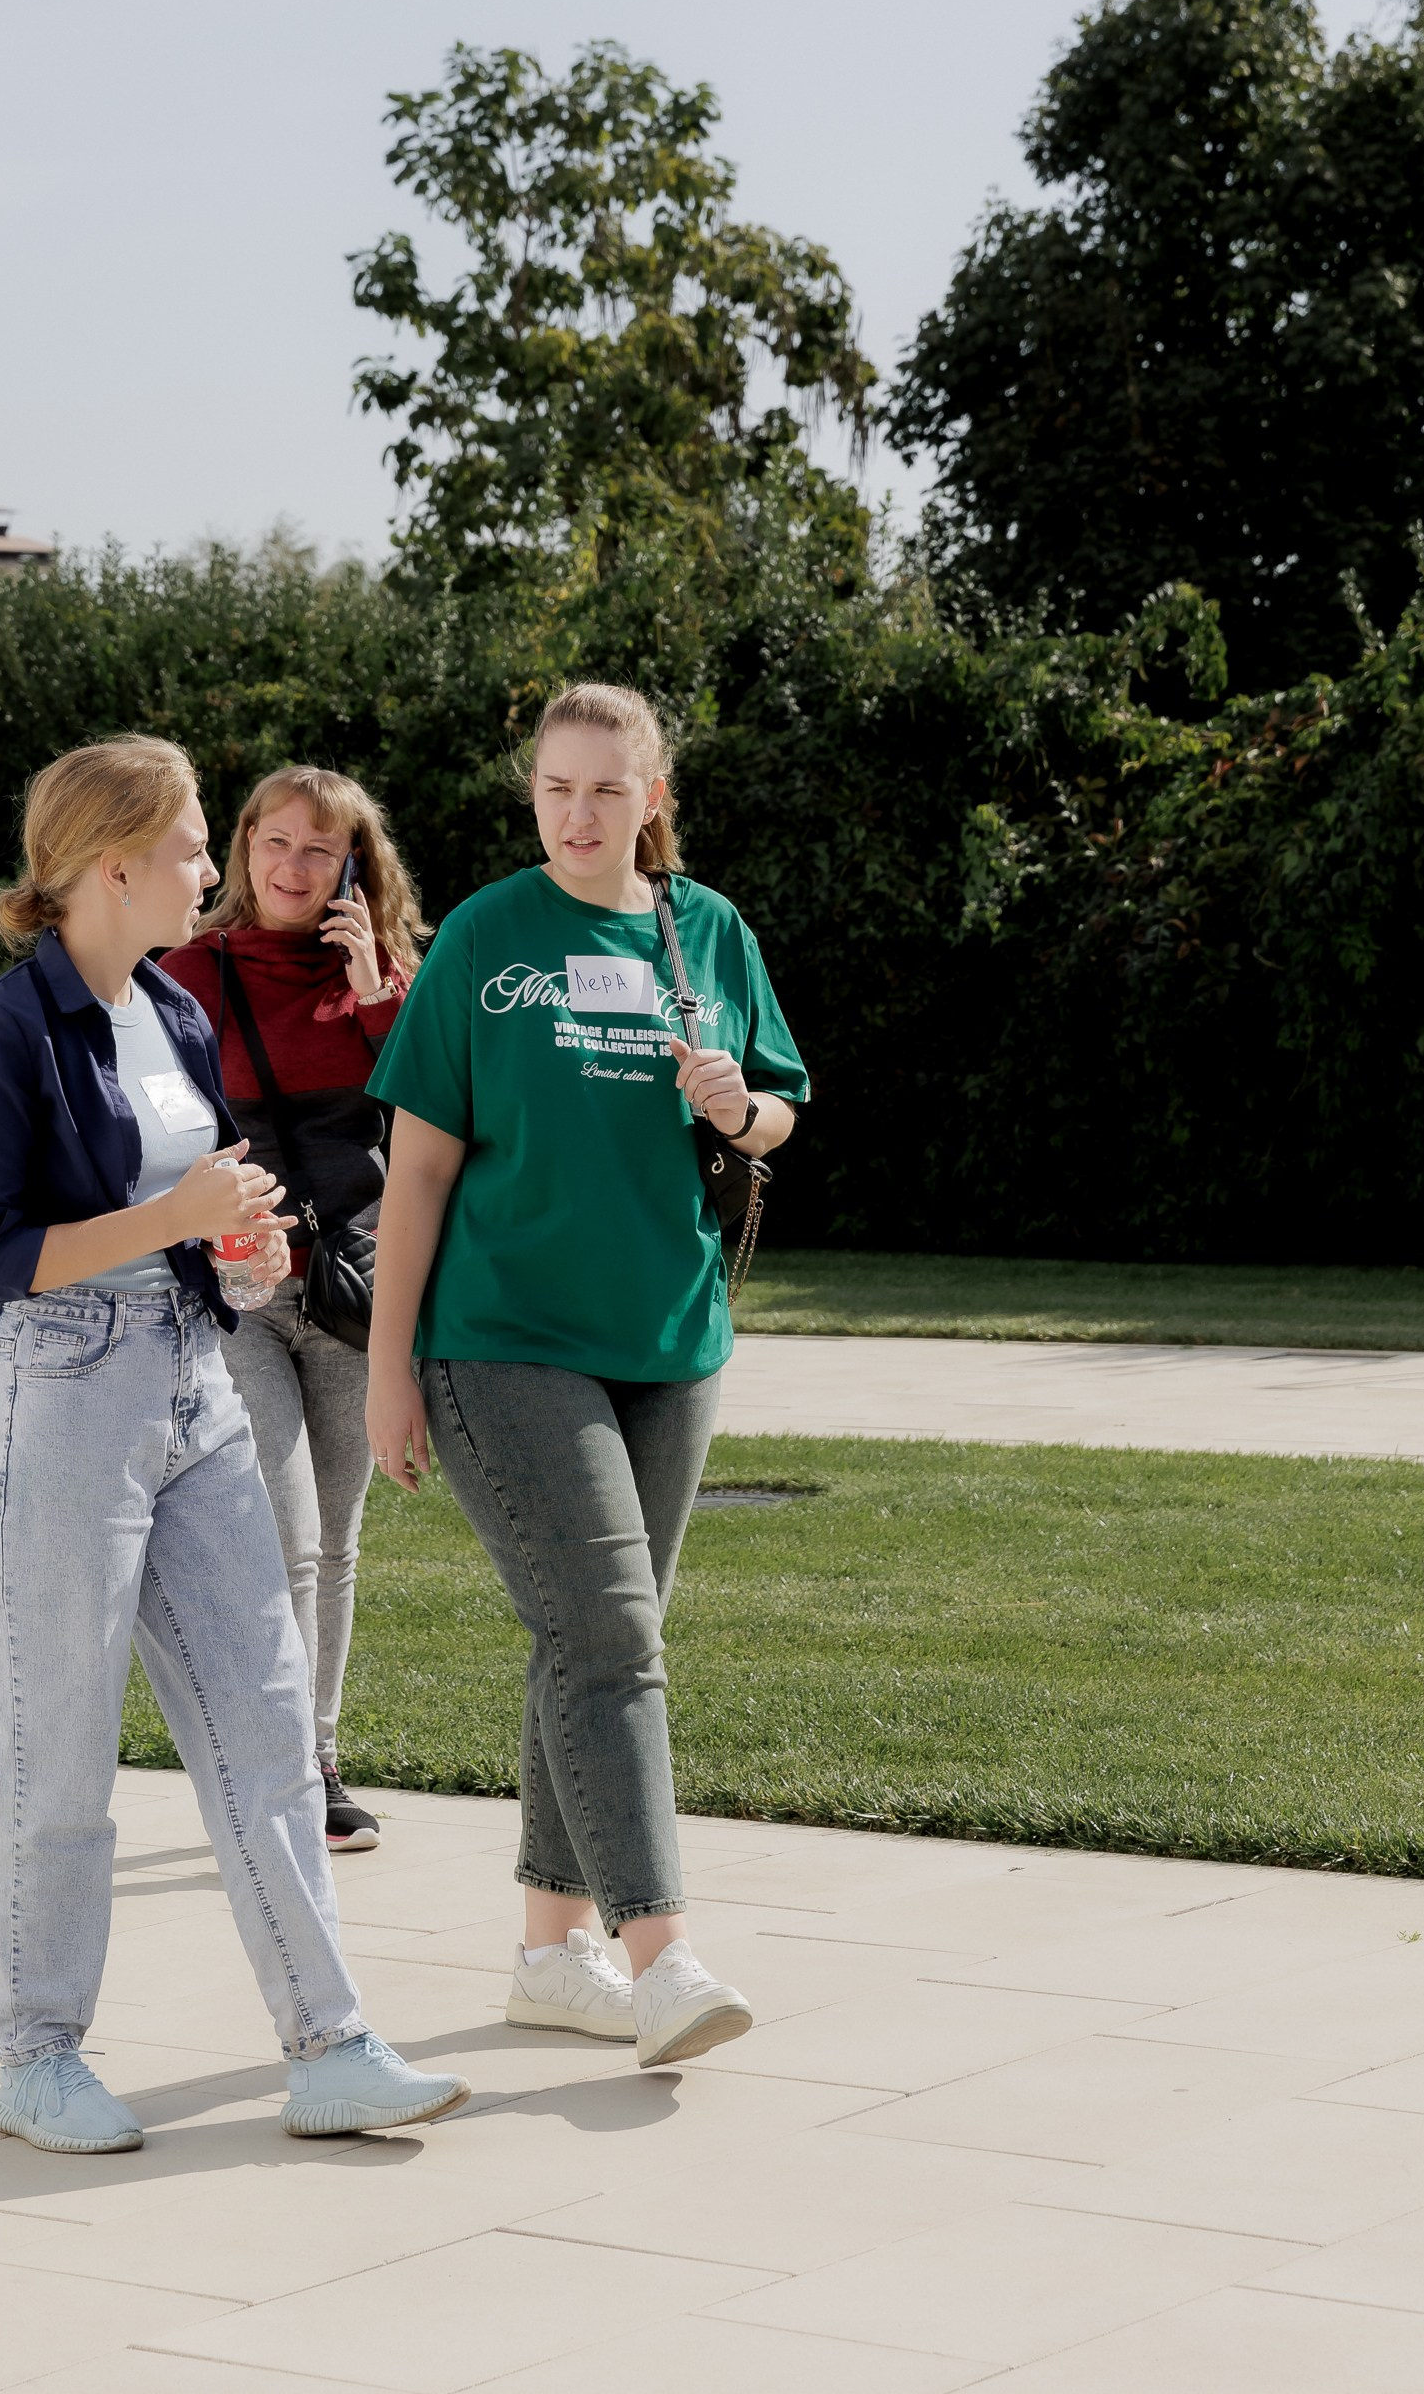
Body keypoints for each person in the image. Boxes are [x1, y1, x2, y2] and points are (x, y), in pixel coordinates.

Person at [0, 734, 469, 2151]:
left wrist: (237, 1249)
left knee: (270, 1731)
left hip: (194, 1384)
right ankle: (36, 2057)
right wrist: (173, 1224)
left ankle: (332, 2042)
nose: (202, 870)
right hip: (63, 1405)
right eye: (182, 847)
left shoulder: (169, 1009)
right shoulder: (1, 1032)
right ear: (109, 865)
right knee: (59, 1757)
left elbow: (198, 1204)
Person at [364, 681, 807, 2069]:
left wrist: (744, 1107)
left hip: (672, 1343)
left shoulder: (708, 929)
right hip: (504, 1340)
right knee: (611, 1637)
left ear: (652, 798)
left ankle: (551, 1953)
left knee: (594, 1636)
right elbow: (418, 1171)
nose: (578, 813)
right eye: (556, 788)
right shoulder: (491, 937)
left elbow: (780, 1110)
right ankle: (661, 1956)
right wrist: (389, 1371)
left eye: (607, 789)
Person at [162, 765, 425, 1856]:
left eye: (320, 850)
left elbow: (437, 1133)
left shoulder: (395, 984)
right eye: (274, 841)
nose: (291, 866)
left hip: (358, 1294)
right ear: (241, 848)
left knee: (337, 1540)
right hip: (246, 1291)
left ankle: (315, 1757)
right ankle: (275, 1764)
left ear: (356, 869)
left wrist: (376, 998)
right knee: (285, 1536)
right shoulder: (185, 974)